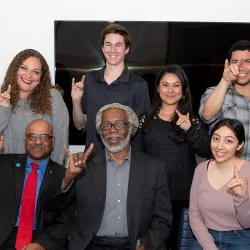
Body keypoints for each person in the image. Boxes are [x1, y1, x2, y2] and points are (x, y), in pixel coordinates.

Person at [43, 103, 172, 250]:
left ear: (130, 128)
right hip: (92, 246)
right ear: (99, 131)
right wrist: (68, 177)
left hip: (135, 245)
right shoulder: (83, 169)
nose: (112, 131)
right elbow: (52, 207)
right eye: (106, 125)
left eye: (119, 124)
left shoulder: (154, 168)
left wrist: (145, 245)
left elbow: (163, 220)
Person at [134, 65, 211, 249]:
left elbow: (207, 151)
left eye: (176, 85)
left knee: (179, 244)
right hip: (151, 196)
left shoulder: (192, 120)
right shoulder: (143, 119)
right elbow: (136, 157)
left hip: (182, 197)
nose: (170, 90)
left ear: (183, 89)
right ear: (158, 88)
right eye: (165, 85)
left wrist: (190, 130)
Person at [71, 23, 150, 155]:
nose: (113, 50)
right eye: (108, 44)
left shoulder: (138, 85)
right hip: (92, 160)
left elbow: (141, 130)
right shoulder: (89, 80)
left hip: (125, 162)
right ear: (102, 48)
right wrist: (76, 101)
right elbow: (80, 125)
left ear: (127, 49)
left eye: (118, 45)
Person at [0, 119, 71, 250]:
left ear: (53, 143)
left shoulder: (64, 175)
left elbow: (65, 222)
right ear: (25, 140)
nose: (38, 142)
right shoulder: (4, 164)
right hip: (4, 237)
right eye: (32, 136)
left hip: (42, 239)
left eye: (44, 137)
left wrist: (41, 245)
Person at [0, 49, 69, 165]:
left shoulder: (52, 97)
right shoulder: (2, 97)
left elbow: (61, 141)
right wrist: (4, 109)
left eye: (35, 72)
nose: (28, 76)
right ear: (15, 69)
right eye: (24, 68)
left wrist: (52, 176)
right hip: (8, 174)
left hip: (41, 174)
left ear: (41, 77)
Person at [189, 118, 250, 250]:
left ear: (240, 145)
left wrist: (242, 198)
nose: (219, 146)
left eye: (228, 141)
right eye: (216, 139)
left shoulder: (248, 172)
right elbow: (194, 213)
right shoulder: (201, 169)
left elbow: (247, 223)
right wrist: (209, 245)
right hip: (205, 236)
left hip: (240, 238)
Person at [199, 40, 250, 161]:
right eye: (235, 62)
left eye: (247, 61)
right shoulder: (216, 92)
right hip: (224, 174)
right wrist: (225, 80)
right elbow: (206, 115)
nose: (241, 67)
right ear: (228, 64)